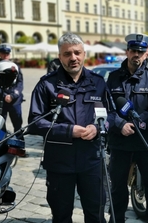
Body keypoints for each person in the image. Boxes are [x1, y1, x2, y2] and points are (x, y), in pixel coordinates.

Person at [27, 32, 114, 223]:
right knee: (61, 216)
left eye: (77, 53)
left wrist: (98, 128)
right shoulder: (47, 85)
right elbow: (34, 122)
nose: (73, 58)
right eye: (67, 54)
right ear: (59, 57)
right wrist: (68, 131)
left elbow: (111, 116)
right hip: (59, 162)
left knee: (96, 215)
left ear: (84, 54)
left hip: (92, 161)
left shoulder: (98, 83)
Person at [106, 33, 148, 223]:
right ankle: (117, 220)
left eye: (141, 52)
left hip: (146, 142)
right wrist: (121, 124)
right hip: (120, 142)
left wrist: (140, 123)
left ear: (146, 54)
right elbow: (105, 108)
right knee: (117, 188)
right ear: (127, 52)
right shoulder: (113, 78)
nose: (136, 55)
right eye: (133, 51)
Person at [0, 43, 25, 143]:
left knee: (17, 124)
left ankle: (20, 144)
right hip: (1, 100)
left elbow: (20, 83)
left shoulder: (15, 67)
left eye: (7, 53)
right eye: (3, 53)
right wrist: (4, 96)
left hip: (15, 101)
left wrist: (13, 95)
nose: (5, 55)